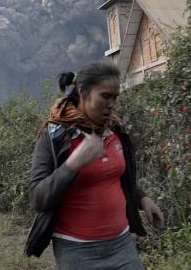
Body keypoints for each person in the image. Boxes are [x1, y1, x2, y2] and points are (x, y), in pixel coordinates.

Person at [25, 62, 164, 269]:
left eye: (115, 97)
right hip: (77, 252)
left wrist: (142, 199)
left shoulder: (115, 130)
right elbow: (37, 197)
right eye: (105, 96)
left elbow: (119, 178)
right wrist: (73, 163)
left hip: (122, 245)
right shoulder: (55, 136)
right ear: (83, 92)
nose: (111, 104)